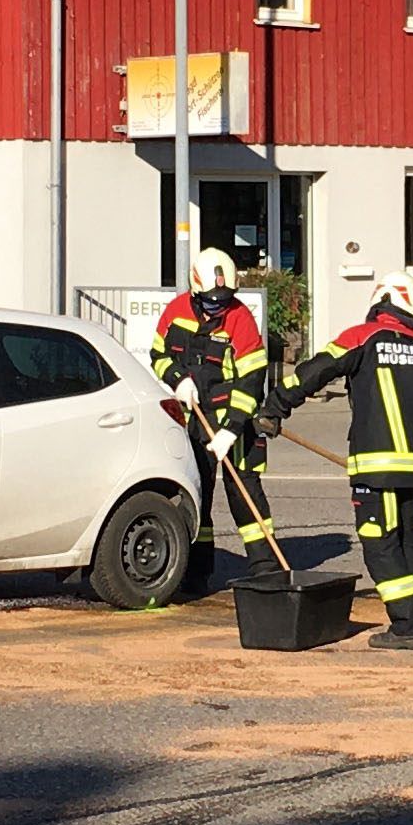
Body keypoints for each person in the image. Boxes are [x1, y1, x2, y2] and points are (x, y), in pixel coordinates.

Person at [259, 273, 413, 651]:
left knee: (380, 542)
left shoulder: (363, 336)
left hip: (376, 465)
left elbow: (314, 371)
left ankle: (409, 626)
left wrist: (275, 407)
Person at [150, 248, 275, 589]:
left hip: (237, 421)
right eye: (211, 300)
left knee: (245, 492)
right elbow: (158, 354)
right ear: (195, 291)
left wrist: (233, 429)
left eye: (224, 298)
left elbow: (252, 379)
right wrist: (179, 378)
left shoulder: (240, 318)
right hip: (196, 420)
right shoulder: (176, 312)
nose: (218, 306)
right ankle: (196, 572)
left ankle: (267, 568)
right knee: (197, 493)